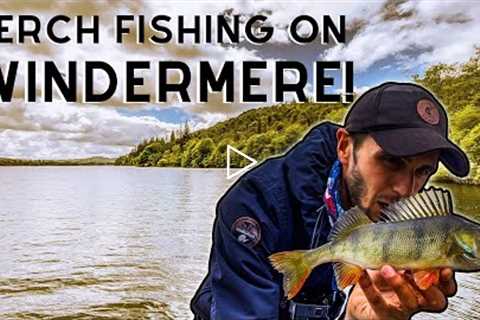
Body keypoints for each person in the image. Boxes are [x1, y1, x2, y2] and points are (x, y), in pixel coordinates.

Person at [190, 82, 469, 320]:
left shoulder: (397, 221)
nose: (406, 190)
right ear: (345, 147)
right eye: (391, 161)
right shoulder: (254, 205)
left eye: (423, 172)